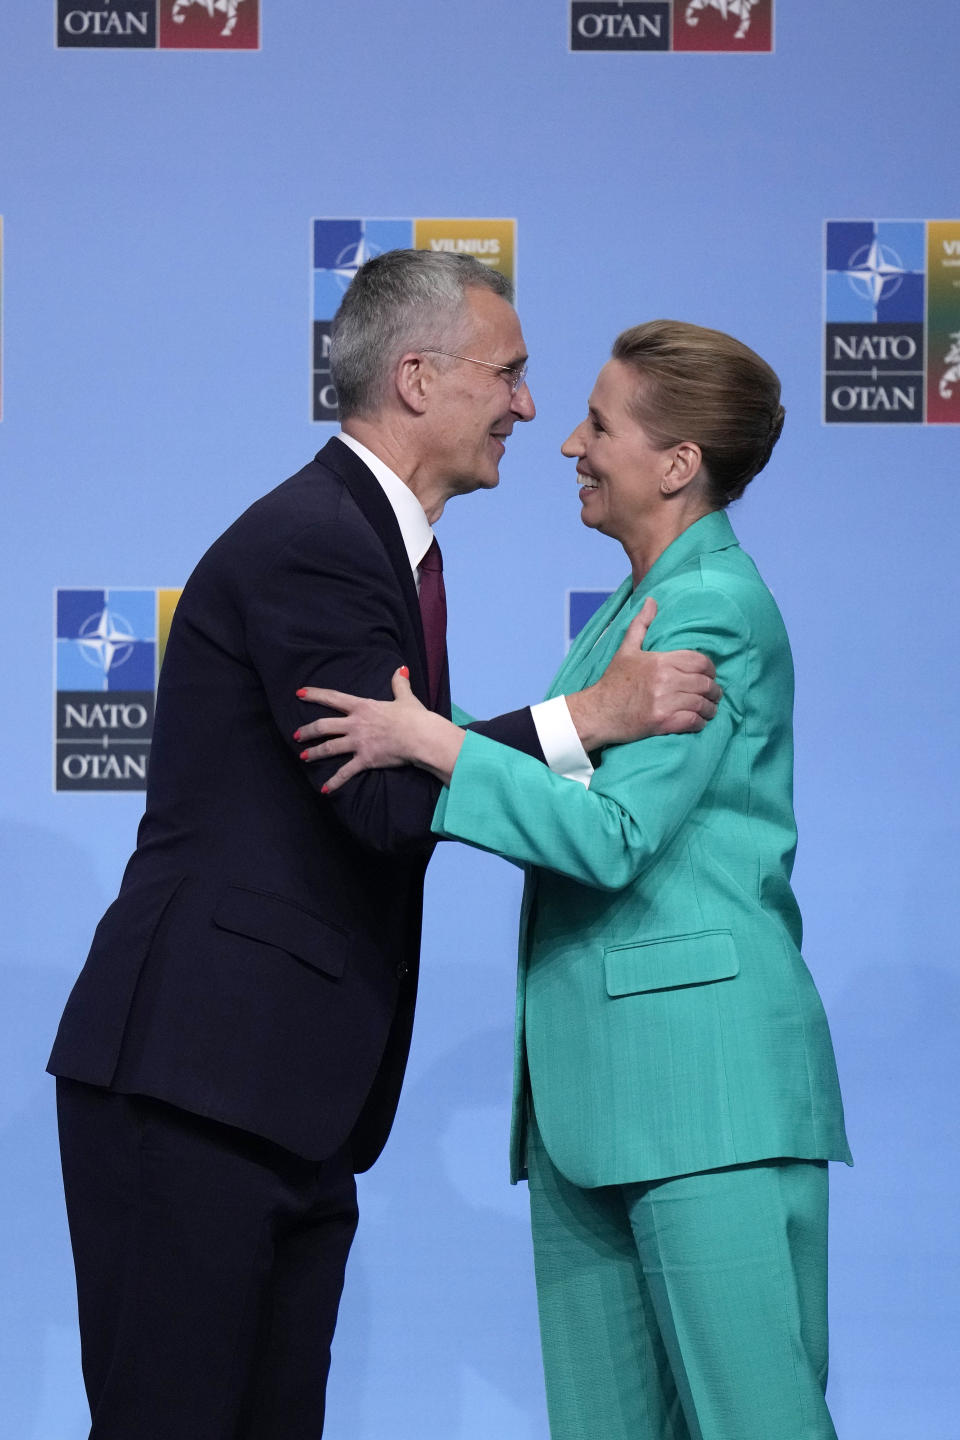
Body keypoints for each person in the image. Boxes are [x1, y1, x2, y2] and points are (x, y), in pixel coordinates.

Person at [47, 257, 721, 1440]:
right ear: (417, 379)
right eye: (508, 374)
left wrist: (464, 740)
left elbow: (403, 763)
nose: (527, 409)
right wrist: (589, 719)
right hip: (197, 1082)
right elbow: (386, 800)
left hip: (284, 1099)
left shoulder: (376, 546)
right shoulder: (318, 541)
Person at [295, 319, 853, 1440]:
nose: (569, 444)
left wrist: (436, 746)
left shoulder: (712, 607)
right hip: (588, 1106)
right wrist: (427, 735)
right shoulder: (627, 610)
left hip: (707, 1100)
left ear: (678, 464)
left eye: (600, 425)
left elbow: (611, 837)